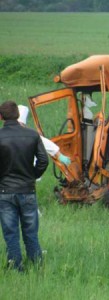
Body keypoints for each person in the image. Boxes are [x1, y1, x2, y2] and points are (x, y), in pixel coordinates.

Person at [0, 100, 49, 271]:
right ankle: (36, 266)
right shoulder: (32, 135)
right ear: (18, 115)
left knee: (10, 233)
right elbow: (43, 160)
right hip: (28, 189)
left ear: (1, 117)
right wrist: (32, 176)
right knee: (30, 232)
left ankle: (15, 267)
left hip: (5, 191)